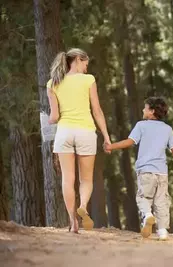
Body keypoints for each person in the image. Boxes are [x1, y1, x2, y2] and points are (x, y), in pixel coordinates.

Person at [104, 97, 173, 241]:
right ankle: (163, 230)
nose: (142, 110)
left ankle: (147, 215)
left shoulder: (141, 125)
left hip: (146, 170)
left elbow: (129, 142)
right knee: (161, 201)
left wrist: (110, 146)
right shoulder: (167, 129)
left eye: (145, 108)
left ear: (151, 112)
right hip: (162, 172)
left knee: (143, 197)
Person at [47, 48, 111, 233]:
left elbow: (54, 116)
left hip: (64, 132)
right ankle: (82, 205)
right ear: (77, 59)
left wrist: (48, 120)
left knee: (68, 179)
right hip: (85, 132)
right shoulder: (88, 80)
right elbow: (97, 110)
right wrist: (106, 136)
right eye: (85, 63)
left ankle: (72, 221)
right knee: (86, 179)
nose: (85, 67)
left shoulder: (53, 83)